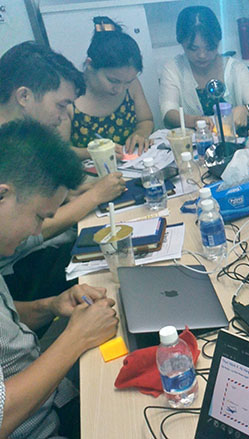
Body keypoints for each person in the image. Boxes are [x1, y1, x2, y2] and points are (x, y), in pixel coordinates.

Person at [0, 120, 119, 439]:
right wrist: (76, 337)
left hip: (50, 400)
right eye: (39, 217)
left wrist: (50, 305)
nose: (37, 231)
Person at [0, 42, 125, 301]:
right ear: (24, 97)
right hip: (16, 273)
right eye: (60, 105)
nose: (64, 116)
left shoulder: (22, 140)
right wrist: (94, 197)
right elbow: (24, 234)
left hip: (26, 261)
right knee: (113, 268)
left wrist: (69, 194)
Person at [159, 5, 249, 130]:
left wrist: (246, 110)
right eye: (193, 49)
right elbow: (168, 114)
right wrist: (193, 121)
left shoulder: (235, 69)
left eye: (209, 48)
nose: (202, 55)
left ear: (218, 41)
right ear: (181, 42)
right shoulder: (173, 69)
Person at [60, 16, 154, 158]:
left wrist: (140, 133)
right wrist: (93, 152)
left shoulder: (131, 85)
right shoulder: (69, 97)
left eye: (128, 82)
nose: (120, 89)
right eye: (113, 81)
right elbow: (60, 151)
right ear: (90, 65)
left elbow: (146, 120)